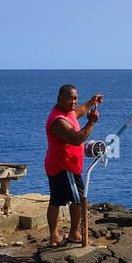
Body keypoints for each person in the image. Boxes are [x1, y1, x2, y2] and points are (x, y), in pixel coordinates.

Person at [45, 84, 103, 248]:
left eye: (75, 98)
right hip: (65, 167)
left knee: (56, 200)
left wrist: (92, 102)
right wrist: (91, 123)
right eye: (70, 98)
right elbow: (77, 138)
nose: (74, 102)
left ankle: (54, 237)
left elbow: (80, 110)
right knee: (79, 200)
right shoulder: (58, 120)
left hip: (57, 164)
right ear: (60, 98)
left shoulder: (67, 112)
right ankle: (74, 234)